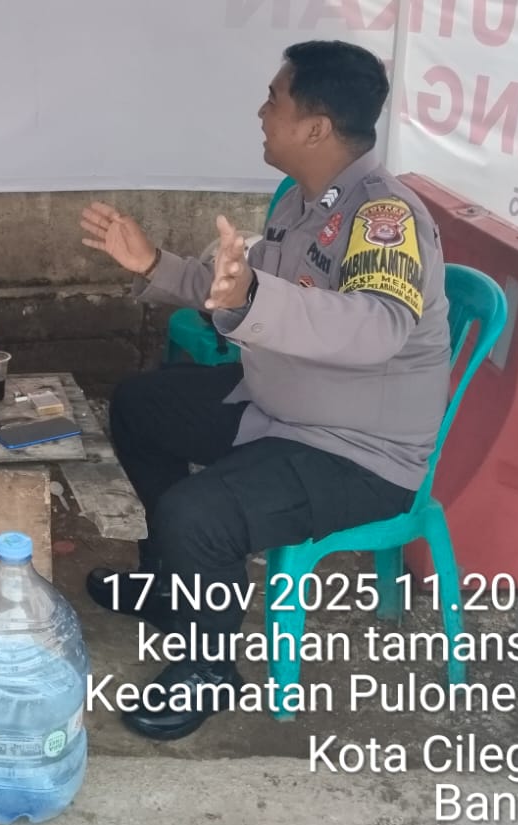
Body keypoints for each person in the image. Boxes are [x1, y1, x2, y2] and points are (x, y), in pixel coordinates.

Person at [78, 40, 450, 742]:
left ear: (315, 127)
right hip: (280, 402)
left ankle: (209, 666)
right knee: (139, 405)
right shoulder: (304, 203)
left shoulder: (384, 218)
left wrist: (249, 296)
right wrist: (153, 262)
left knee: (198, 513)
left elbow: (377, 325)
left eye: (275, 99)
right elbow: (241, 289)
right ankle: (170, 586)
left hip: (356, 451)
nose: (261, 111)